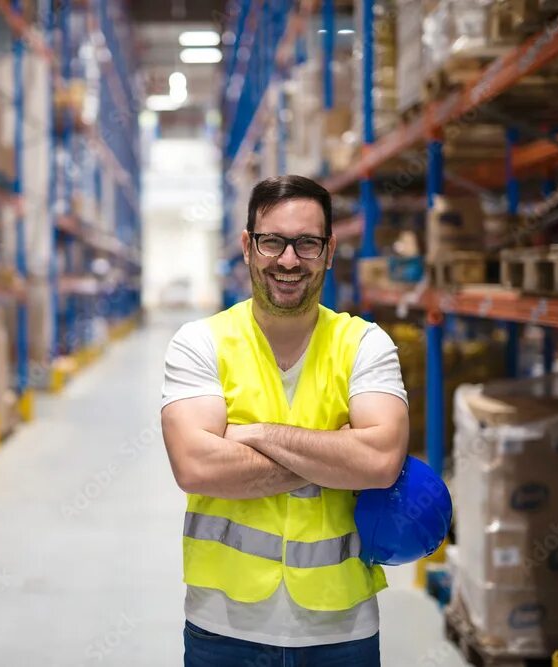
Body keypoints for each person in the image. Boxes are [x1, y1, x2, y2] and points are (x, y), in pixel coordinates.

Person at [160, 175, 409, 666]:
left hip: (341, 629)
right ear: (248, 247)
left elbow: (380, 461)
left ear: (330, 250)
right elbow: (195, 466)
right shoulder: (200, 343)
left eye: (307, 243)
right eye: (272, 241)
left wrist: (250, 435)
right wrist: (337, 454)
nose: (289, 260)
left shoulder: (365, 344)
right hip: (224, 629)